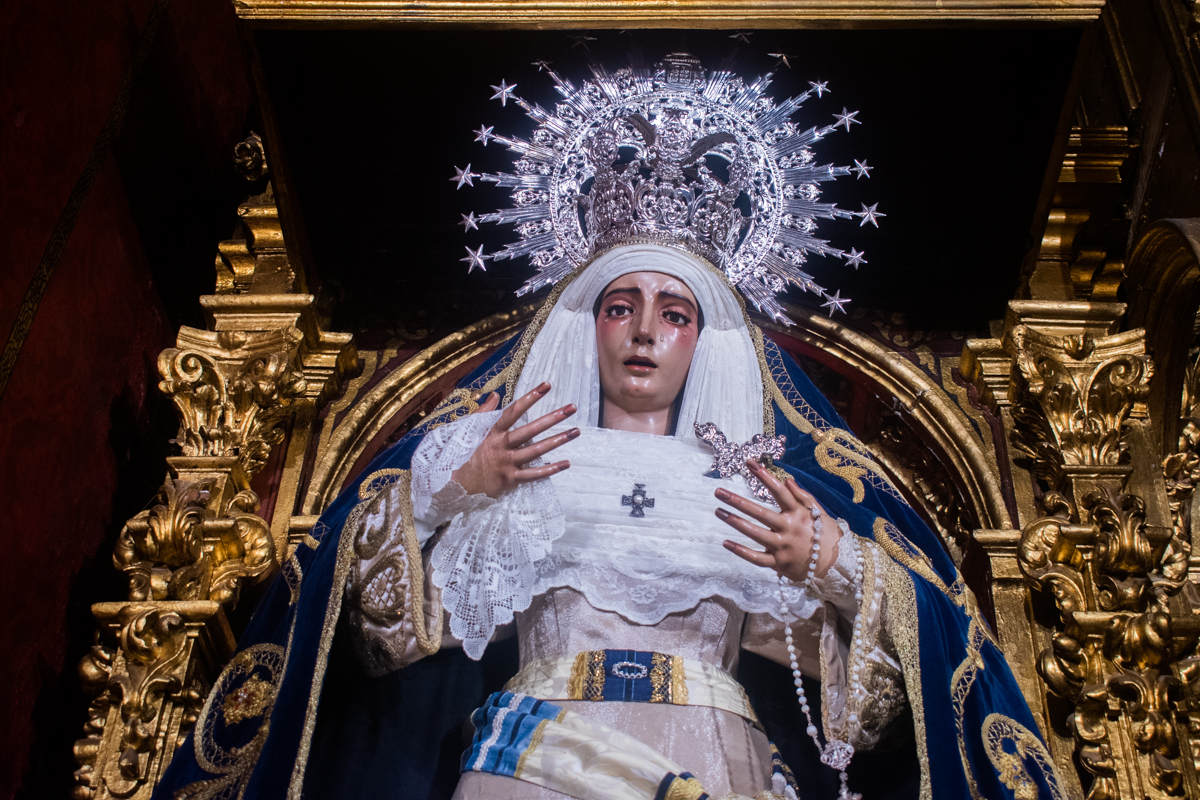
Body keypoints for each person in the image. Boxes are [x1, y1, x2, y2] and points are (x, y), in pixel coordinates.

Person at [155, 54, 1064, 800]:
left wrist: (829, 562)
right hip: (535, 752)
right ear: (588, 326)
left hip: (713, 749)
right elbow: (378, 634)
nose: (643, 331)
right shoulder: (514, 461)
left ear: (703, 342)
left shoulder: (755, 492)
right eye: (621, 305)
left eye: (675, 312)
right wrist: (456, 490)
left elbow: (879, 705)